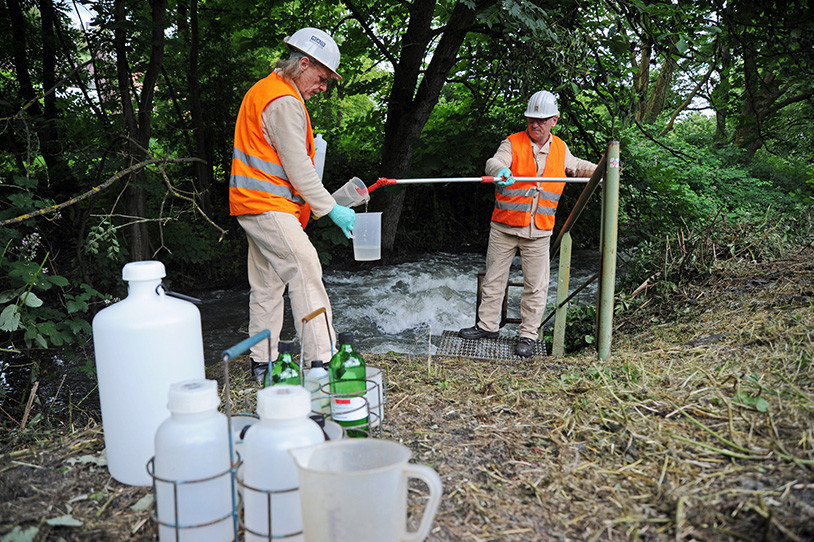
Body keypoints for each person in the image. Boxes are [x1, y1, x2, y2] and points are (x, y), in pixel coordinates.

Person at [229, 27, 356, 382]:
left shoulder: (266, 90)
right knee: (305, 268)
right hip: (267, 203)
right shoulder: (284, 100)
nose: (323, 87)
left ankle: (262, 361)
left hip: (255, 203)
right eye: (322, 77)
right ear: (303, 64)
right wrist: (331, 208)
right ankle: (321, 359)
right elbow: (298, 167)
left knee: (268, 282)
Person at [458, 90, 597, 357]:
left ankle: (528, 335)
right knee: (494, 279)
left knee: (536, 285)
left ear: (554, 120)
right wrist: (500, 171)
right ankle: (487, 326)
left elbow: (578, 166)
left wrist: (605, 169)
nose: (535, 124)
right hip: (505, 226)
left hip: (539, 230)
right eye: (531, 119)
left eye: (541, 120)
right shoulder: (511, 143)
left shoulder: (560, 148)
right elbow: (494, 162)